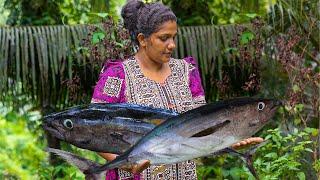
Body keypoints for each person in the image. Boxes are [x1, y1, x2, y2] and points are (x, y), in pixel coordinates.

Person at [91, 1, 263, 179]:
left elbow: (200, 130)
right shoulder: (117, 75)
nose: (172, 44)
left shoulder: (187, 72)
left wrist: (226, 143)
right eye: (164, 38)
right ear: (143, 40)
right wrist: (127, 164)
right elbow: (92, 132)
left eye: (174, 37)